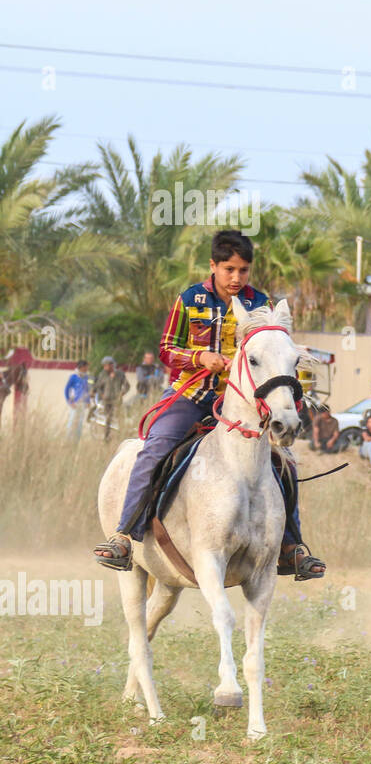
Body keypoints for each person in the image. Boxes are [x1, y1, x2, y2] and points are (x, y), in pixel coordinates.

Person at [90, 230, 326, 580]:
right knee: (154, 450)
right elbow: (167, 349)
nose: (236, 278)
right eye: (229, 269)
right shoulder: (189, 300)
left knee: (283, 463)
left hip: (242, 406)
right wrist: (200, 356)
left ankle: (291, 548)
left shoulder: (261, 306)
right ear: (213, 265)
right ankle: (125, 535)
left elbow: (276, 353)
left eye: (243, 270)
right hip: (190, 397)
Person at [92, 356, 129, 442]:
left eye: (106, 365)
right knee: (108, 419)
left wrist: (122, 393)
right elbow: (98, 387)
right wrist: (102, 394)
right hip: (107, 401)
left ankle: (122, 437)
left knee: (120, 418)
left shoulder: (120, 374)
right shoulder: (102, 374)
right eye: (104, 366)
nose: (105, 367)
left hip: (117, 401)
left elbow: (127, 386)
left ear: (112, 365)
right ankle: (107, 438)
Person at [64, 359, 92, 440]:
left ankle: (76, 442)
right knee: (72, 421)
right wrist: (69, 401)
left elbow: (87, 390)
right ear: (82, 367)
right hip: (75, 403)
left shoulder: (86, 377)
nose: (87, 368)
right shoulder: (73, 377)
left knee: (80, 423)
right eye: (86, 366)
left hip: (82, 403)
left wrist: (88, 401)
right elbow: (66, 390)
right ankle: (68, 440)